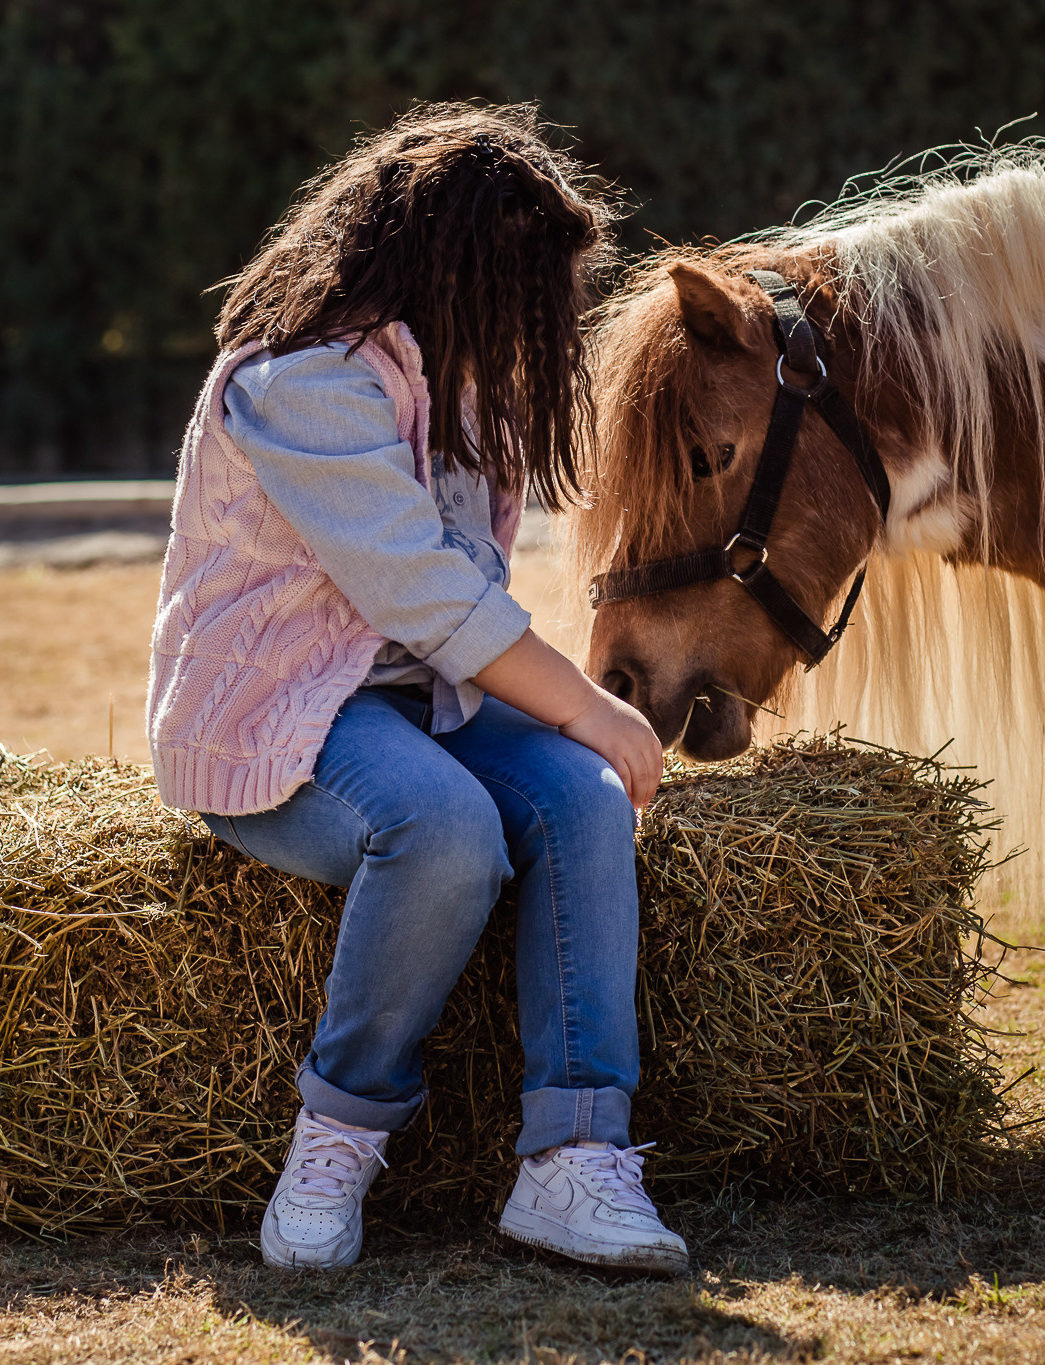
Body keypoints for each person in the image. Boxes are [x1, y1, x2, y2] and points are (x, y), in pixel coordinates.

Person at [145, 104, 682, 1274]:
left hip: (420, 703)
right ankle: (337, 1134)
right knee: (442, 831)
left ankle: (572, 1160)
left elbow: (460, 614)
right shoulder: (303, 382)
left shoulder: (462, 378)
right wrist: (587, 701)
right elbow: (423, 592)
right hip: (284, 717)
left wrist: (575, 733)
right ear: (458, 269)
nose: (552, 320)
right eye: (533, 289)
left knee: (582, 799)